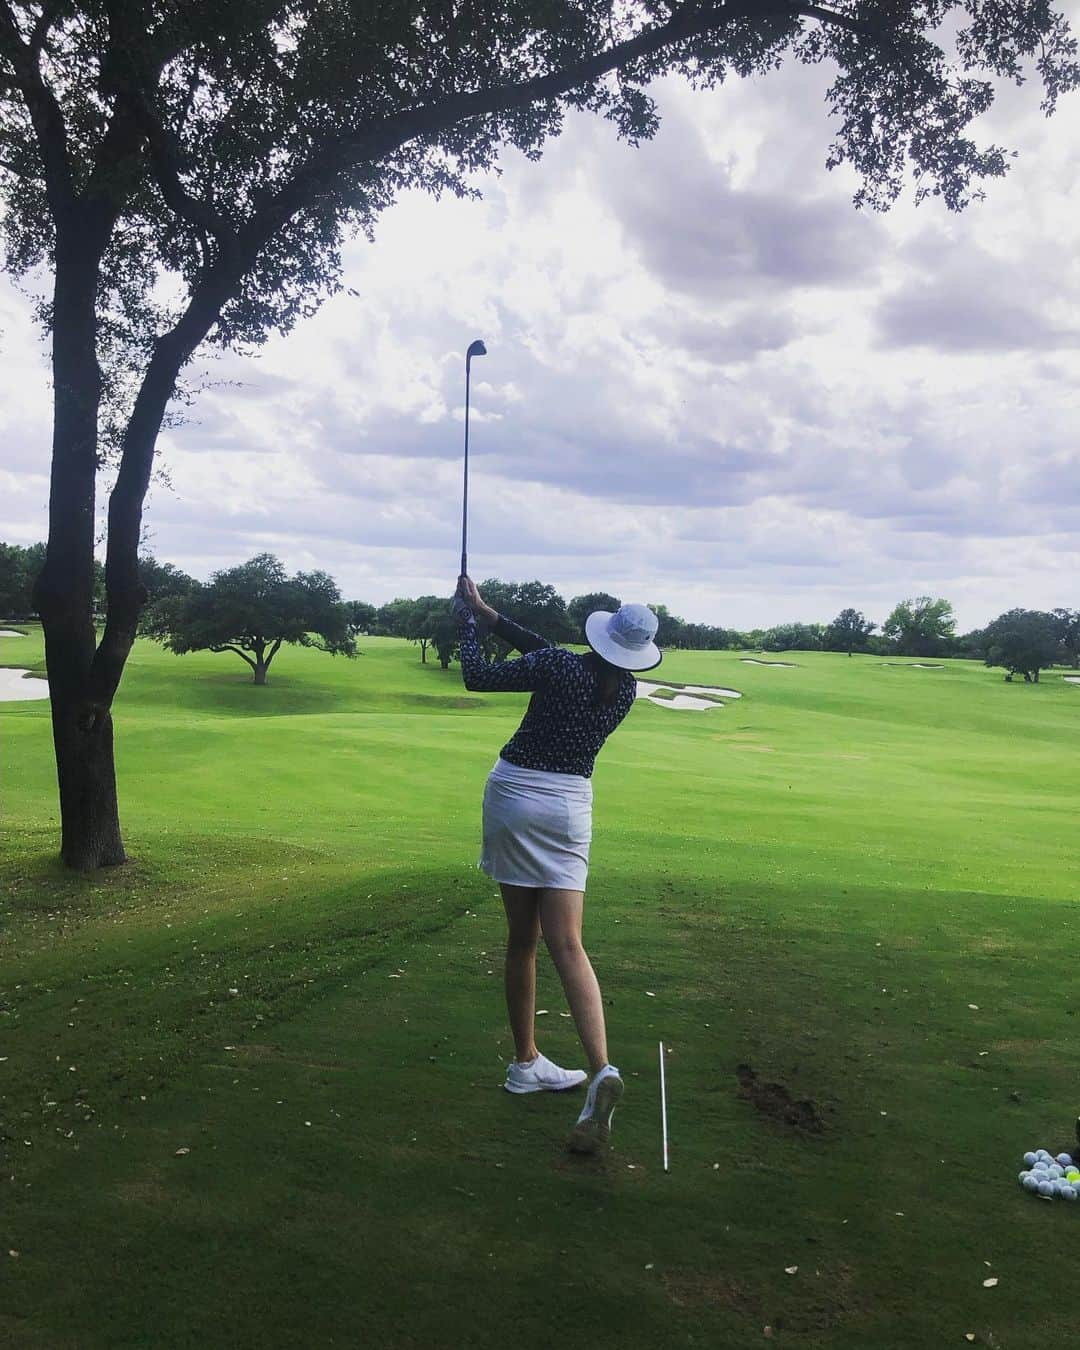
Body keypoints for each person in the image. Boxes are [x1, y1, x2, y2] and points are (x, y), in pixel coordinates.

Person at [454, 575, 661, 1154]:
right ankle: (599, 1069)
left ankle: (526, 1062)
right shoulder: (621, 692)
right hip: (570, 807)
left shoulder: (560, 669)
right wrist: (490, 614)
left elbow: (479, 675)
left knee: (523, 939)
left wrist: (467, 625)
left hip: (516, 795)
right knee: (567, 944)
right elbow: (545, 653)